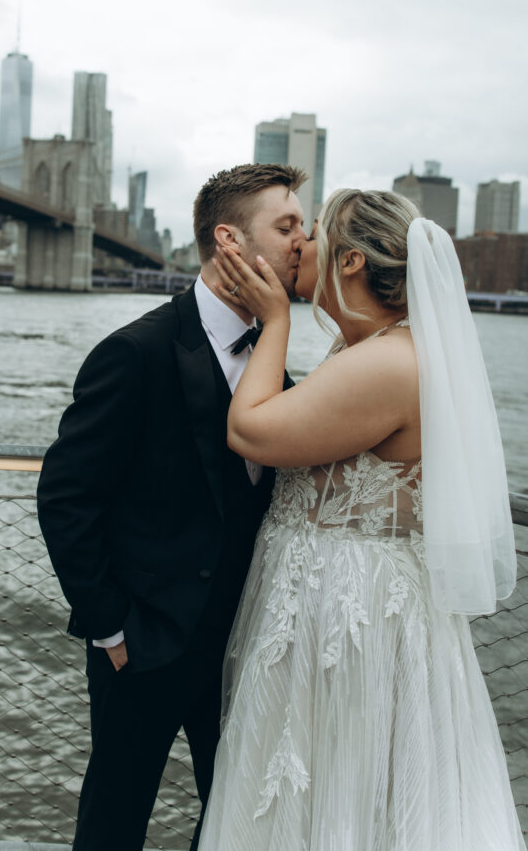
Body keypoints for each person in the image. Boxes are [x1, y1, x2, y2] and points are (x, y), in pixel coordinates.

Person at [198, 188, 524, 850]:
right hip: (333, 605)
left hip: (347, 619)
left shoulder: (385, 362)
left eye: (311, 234)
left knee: (338, 789)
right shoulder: (372, 348)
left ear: (348, 263)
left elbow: (253, 431)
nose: (298, 247)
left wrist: (275, 324)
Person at [36, 162, 309, 851]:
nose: (302, 240)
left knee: (238, 817)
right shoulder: (133, 353)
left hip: (246, 647)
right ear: (229, 240)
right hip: (144, 641)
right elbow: (67, 497)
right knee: (115, 815)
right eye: (286, 226)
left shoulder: (285, 370)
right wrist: (109, 629)